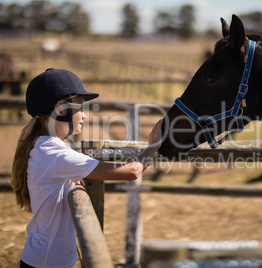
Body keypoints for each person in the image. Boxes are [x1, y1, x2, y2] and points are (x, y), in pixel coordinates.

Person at [11, 68, 162, 268]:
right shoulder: (56, 154)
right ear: (61, 110)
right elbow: (132, 171)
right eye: (80, 108)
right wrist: (153, 145)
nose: (84, 116)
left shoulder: (45, 146)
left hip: (42, 259)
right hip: (47, 263)